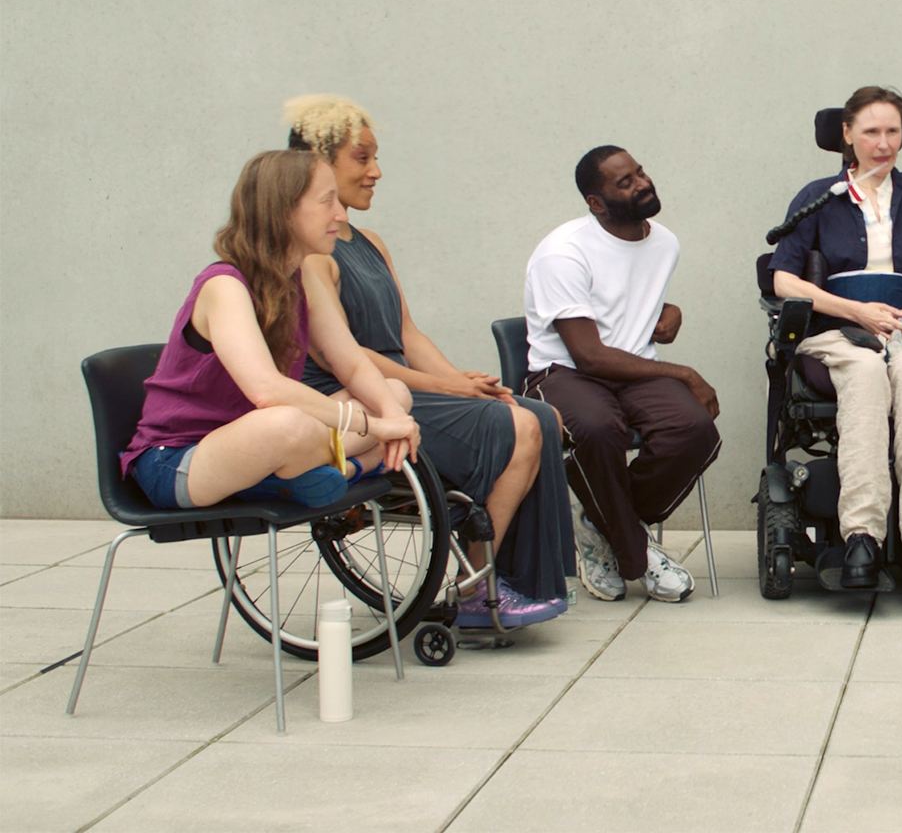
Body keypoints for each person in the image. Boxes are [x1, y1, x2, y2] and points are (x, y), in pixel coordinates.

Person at [286, 94, 572, 627]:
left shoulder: (370, 242)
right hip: (354, 399)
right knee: (518, 427)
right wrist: (447, 388)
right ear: (319, 165)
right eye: (361, 158)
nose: (376, 171)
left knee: (540, 416)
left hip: (402, 386)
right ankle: (476, 593)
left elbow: (405, 333)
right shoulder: (309, 256)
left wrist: (457, 379)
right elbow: (348, 354)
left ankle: (511, 579)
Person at [122, 150, 421, 516]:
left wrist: (396, 419)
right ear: (284, 211)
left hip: (267, 443)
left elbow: (353, 365)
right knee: (287, 423)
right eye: (328, 201)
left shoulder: (302, 279)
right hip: (181, 461)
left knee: (394, 392)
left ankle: (303, 472)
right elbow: (267, 391)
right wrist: (374, 427)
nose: (340, 215)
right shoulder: (224, 286)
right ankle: (347, 466)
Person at [768, 86, 902, 588]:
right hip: (838, 329)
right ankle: (862, 537)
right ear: (847, 134)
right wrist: (856, 312)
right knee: (868, 371)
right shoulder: (818, 197)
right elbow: (783, 280)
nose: (883, 142)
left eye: (892, 131)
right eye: (871, 131)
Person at [521, 145, 719, 602]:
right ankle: (636, 553)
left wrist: (670, 310)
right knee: (596, 428)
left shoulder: (664, 242)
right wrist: (685, 373)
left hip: (631, 367)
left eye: (640, 172)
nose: (642, 183)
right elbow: (588, 355)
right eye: (624, 182)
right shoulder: (563, 253)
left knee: (693, 429)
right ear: (596, 202)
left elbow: (630, 300)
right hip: (564, 372)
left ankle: (601, 523)